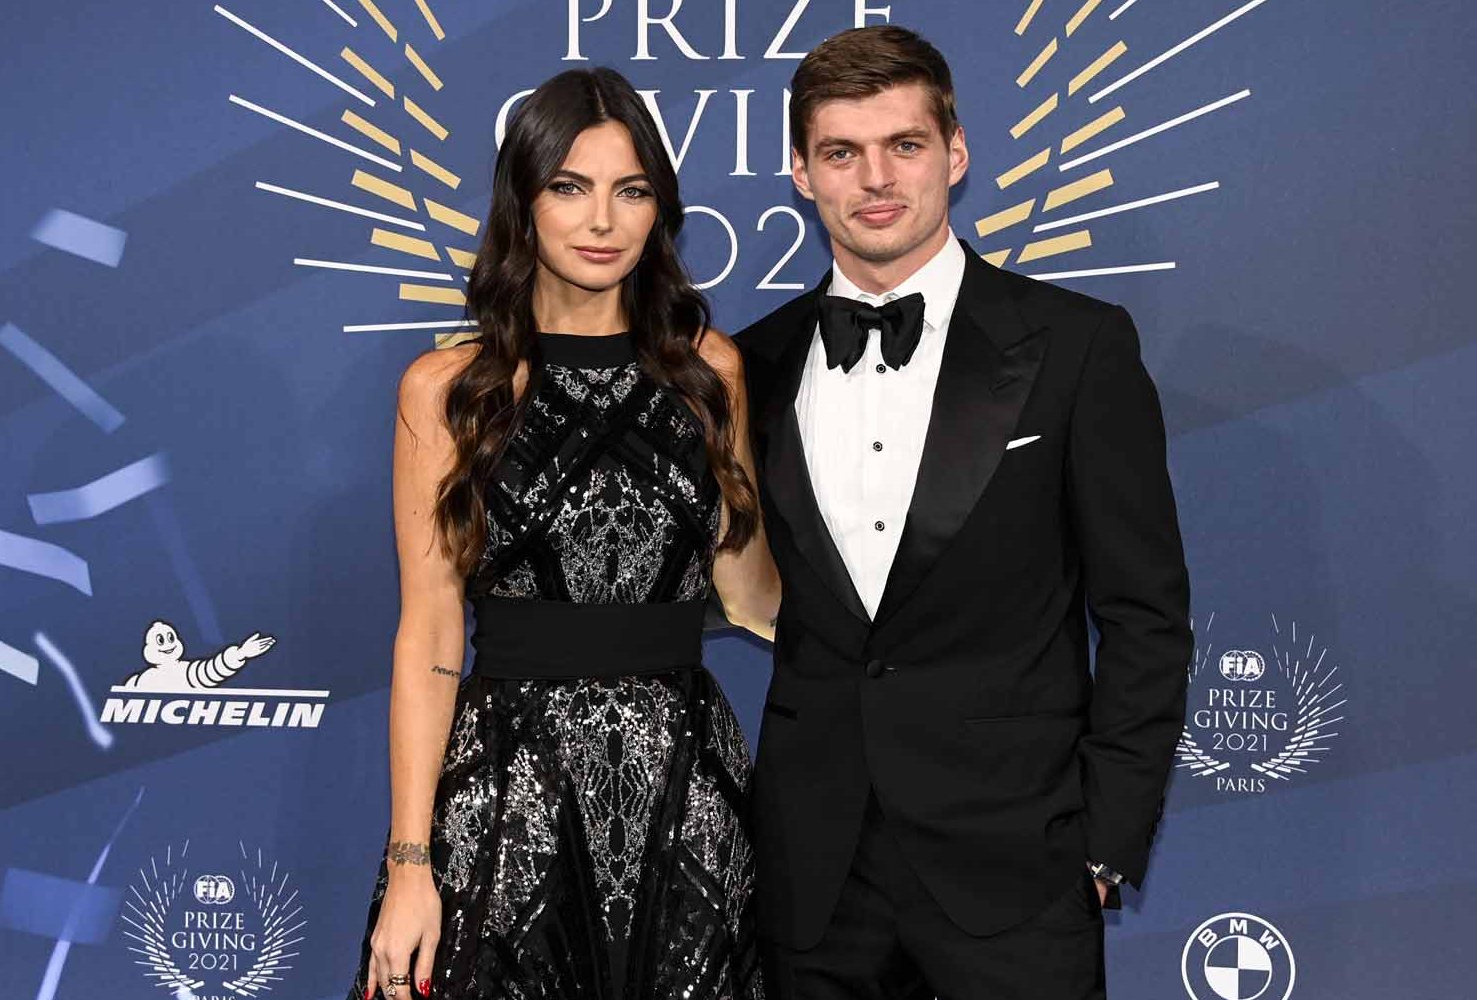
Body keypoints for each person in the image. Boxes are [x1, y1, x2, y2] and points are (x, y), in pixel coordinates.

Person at [736, 26, 1193, 1000]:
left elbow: (1146, 614)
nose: (875, 179)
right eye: (841, 153)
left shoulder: (1076, 349)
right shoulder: (749, 366)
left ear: (956, 151)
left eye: (904, 144)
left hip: (1018, 869)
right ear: (799, 173)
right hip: (814, 876)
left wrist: (1105, 839)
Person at [343, 67, 779, 1000]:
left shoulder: (711, 372)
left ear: (658, 209)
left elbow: (748, 593)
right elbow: (428, 636)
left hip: (686, 798)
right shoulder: (449, 390)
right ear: (524, 202)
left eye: (631, 192)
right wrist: (412, 865)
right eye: (569, 188)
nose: (602, 221)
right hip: (511, 796)